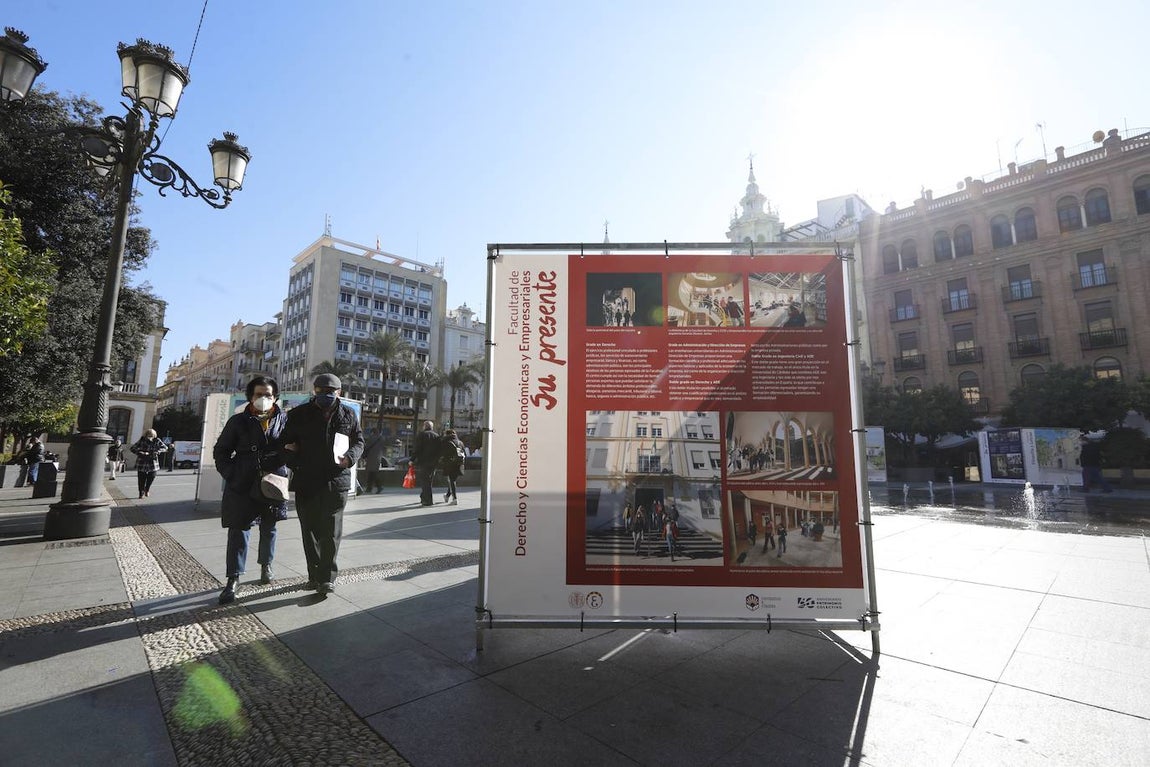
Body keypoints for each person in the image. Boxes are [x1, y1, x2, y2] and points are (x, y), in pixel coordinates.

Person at [278, 373, 364, 595]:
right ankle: (313, 574)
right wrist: (296, 461)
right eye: (320, 390)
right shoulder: (298, 415)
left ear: (339, 393)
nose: (325, 394)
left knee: (331, 531)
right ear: (313, 391)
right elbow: (284, 444)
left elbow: (359, 441)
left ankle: (327, 578)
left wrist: (350, 457)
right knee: (310, 531)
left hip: (337, 481)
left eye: (330, 391)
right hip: (307, 480)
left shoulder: (349, 414)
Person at [212, 376, 290, 605]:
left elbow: (294, 448)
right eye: (258, 394)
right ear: (250, 396)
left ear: (275, 397)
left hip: (273, 481)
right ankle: (233, 579)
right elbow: (221, 451)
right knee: (239, 530)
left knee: (269, 526)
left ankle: (267, 566)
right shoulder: (238, 421)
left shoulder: (284, 420)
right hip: (242, 482)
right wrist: (231, 473)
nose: (263, 399)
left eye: (268, 394)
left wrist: (283, 459)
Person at [130, 429, 167, 499]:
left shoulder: (157, 440)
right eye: (148, 435)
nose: (150, 437)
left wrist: (158, 451)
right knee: (141, 479)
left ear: (154, 435)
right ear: (146, 435)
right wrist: (140, 452)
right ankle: (141, 493)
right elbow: (132, 448)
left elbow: (165, 447)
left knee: (152, 476)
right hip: (142, 461)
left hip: (152, 462)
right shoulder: (142, 440)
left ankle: (147, 489)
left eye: (151, 436)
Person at [412, 420, 441, 506]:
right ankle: (424, 497)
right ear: (431, 427)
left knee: (425, 481)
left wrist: (412, 459)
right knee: (429, 481)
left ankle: (428, 500)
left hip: (424, 462)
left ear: (425, 426)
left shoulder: (422, 435)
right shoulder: (437, 436)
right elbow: (439, 451)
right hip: (434, 463)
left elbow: (417, 448)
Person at [440, 428, 466, 505]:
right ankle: (447, 496)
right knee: (452, 480)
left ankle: (455, 498)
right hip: (459, 463)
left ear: (447, 434)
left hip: (450, 464)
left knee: (451, 480)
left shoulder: (446, 442)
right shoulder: (460, 442)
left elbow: (443, 453)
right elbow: (464, 453)